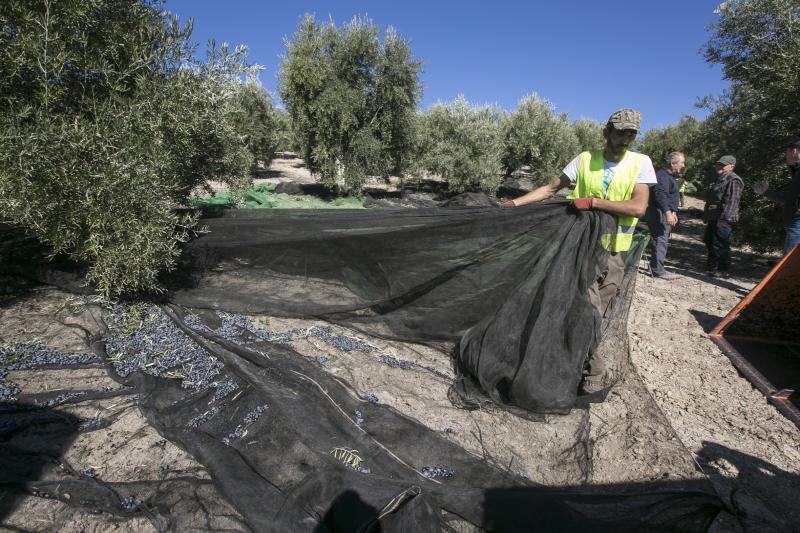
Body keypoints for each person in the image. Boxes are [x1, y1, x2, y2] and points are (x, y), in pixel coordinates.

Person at [502, 108, 656, 392]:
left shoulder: (640, 163)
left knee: (596, 314)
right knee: (586, 308)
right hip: (580, 248)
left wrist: (594, 203)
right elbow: (550, 189)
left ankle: (576, 364)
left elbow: (638, 207)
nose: (625, 139)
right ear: (606, 131)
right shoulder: (585, 160)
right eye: (621, 132)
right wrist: (514, 204)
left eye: (631, 134)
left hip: (614, 254)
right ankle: (591, 371)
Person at [753, 140, 800, 254]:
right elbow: (790, 197)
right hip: (794, 224)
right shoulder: (796, 171)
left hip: (797, 224)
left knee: (789, 262)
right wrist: (767, 192)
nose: (786, 156)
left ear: (794, 151)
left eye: (786, 153)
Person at [703, 155, 743, 278]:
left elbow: (732, 201)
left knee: (720, 243)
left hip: (722, 218)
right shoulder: (721, 178)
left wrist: (724, 219)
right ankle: (712, 267)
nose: (719, 167)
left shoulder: (734, 180)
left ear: (731, 166)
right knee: (710, 241)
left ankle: (722, 270)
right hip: (714, 216)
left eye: (722, 165)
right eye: (718, 164)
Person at [646, 152, 684, 279]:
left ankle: (655, 267)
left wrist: (673, 212)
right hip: (659, 212)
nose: (683, 165)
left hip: (664, 212)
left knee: (661, 239)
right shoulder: (662, 176)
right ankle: (658, 270)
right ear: (673, 163)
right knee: (660, 239)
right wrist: (668, 213)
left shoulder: (669, 176)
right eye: (681, 162)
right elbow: (660, 196)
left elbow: (670, 196)